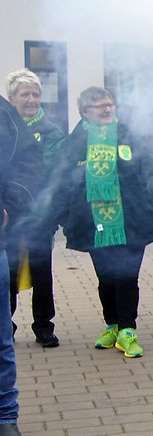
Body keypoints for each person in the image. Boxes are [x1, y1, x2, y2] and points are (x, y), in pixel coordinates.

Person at [46, 87, 153, 358]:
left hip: (131, 222)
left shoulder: (130, 137)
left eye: (109, 104)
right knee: (105, 278)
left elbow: (151, 174)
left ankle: (128, 330)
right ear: (84, 113)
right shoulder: (74, 143)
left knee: (127, 276)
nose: (107, 109)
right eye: (99, 106)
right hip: (94, 225)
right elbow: (60, 183)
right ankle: (113, 324)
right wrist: (65, 218)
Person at [4, 69, 65, 348]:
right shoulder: (6, 129)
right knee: (9, 272)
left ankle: (44, 326)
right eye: (25, 94)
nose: (31, 99)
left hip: (39, 214)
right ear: (11, 98)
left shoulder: (51, 131)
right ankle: (8, 324)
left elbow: (48, 170)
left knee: (42, 272)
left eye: (36, 94)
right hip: (9, 215)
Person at [1, 94, 40, 436]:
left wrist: (10, 206)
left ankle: (4, 416)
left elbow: (28, 162)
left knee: (0, 337)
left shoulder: (3, 112)